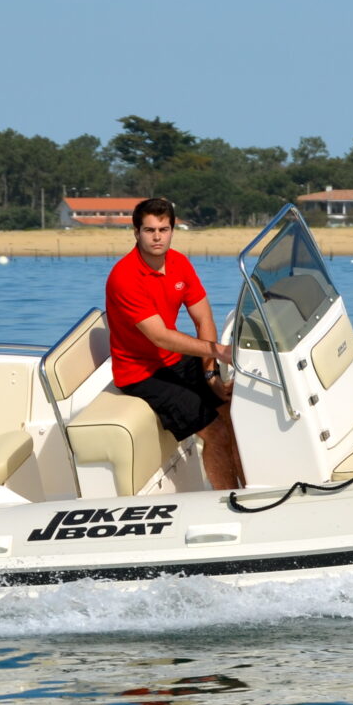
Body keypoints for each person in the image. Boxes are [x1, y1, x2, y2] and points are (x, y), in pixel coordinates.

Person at [105, 197, 244, 490]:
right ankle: (227, 498)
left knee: (233, 414)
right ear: (136, 232)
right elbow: (160, 336)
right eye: (149, 230)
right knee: (216, 431)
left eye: (163, 229)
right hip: (141, 374)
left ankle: (248, 490)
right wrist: (218, 351)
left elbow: (203, 319)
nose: (157, 237)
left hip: (173, 359)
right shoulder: (124, 277)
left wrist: (211, 372)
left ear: (172, 230)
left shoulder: (179, 262)